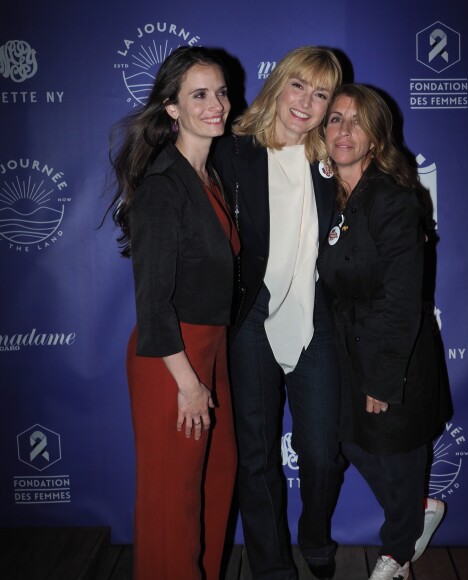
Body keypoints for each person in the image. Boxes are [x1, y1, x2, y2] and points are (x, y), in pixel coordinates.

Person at [212, 46, 343, 580]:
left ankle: (315, 535)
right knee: (257, 452)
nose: (306, 102)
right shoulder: (231, 150)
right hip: (249, 317)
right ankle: (270, 566)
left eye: (321, 94)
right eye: (299, 86)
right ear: (278, 84)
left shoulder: (332, 158)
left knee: (322, 452)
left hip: (316, 317)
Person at [108, 46, 239, 580]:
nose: (218, 105)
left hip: (213, 354)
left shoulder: (209, 178)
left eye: (222, 92)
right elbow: (153, 303)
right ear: (172, 108)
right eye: (200, 95)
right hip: (173, 363)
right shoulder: (164, 187)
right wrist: (188, 384)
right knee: (171, 503)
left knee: (215, 482)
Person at [317, 84, 453, 580]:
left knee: (396, 452)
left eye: (357, 121)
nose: (344, 130)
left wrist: (382, 379)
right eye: (335, 119)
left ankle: (397, 552)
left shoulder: (393, 199)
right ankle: (417, 511)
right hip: (345, 351)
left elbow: (401, 302)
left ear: (376, 137)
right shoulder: (328, 198)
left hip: (394, 352)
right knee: (346, 441)